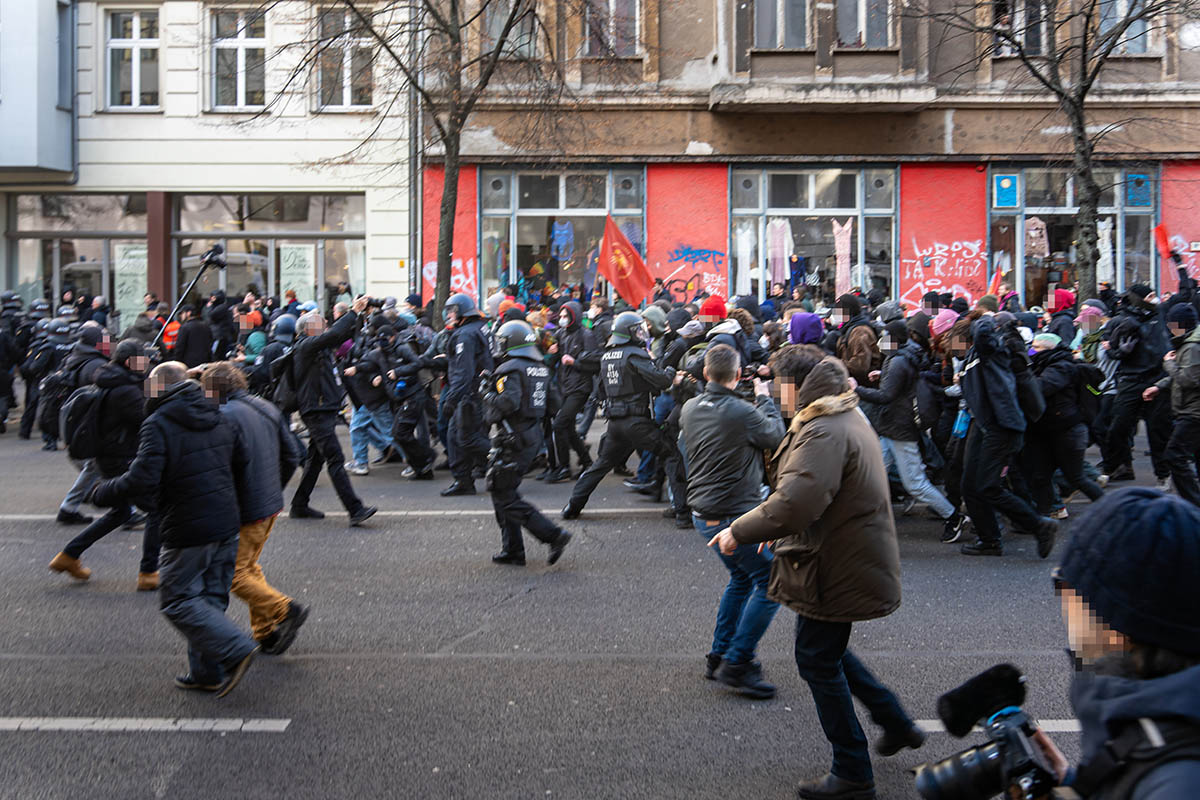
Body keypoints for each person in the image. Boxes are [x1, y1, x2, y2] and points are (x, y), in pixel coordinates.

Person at [708, 350, 924, 800]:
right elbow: (807, 498)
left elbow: (796, 502)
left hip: (835, 560)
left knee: (817, 658)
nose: (775, 393)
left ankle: (852, 772)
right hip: (841, 551)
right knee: (829, 651)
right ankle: (896, 723)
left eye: (779, 384)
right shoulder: (844, 414)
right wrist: (780, 525)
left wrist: (740, 530)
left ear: (797, 386)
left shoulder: (823, 428)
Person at [88, 362, 259, 697]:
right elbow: (241, 464)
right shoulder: (218, 413)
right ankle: (205, 672)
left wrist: (102, 491)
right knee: (209, 599)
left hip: (188, 524)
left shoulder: (159, 423)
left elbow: (143, 478)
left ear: (160, 389)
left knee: (178, 599)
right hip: (225, 522)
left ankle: (236, 647)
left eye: (149, 386)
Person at [1033, 488, 1200, 798]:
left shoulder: (1178, 785)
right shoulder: (1157, 718)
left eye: (1065, 585)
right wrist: (1075, 785)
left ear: (1115, 622)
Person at [680, 344, 785, 699]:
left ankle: (719, 654)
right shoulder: (742, 411)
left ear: (706, 373)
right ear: (738, 375)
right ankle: (737, 662)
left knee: (742, 578)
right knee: (771, 583)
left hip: (703, 514)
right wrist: (765, 396)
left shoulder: (691, 408)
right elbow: (776, 437)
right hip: (735, 516)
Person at [202, 362, 309, 655]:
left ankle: (285, 610)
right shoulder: (265, 406)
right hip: (269, 503)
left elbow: (220, 468)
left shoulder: (223, 416)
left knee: (234, 575)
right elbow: (291, 455)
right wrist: (274, 489)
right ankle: (264, 632)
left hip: (245, 507)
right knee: (248, 567)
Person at [48, 340, 159, 589]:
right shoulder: (125, 390)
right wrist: (159, 382)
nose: (148, 362)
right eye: (144, 359)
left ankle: (69, 555)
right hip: (121, 459)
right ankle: (149, 572)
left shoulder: (116, 381)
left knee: (119, 513)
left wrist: (155, 377)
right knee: (156, 509)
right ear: (130, 362)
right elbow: (147, 417)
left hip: (109, 458)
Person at [856, 318, 969, 541]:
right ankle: (863, 520)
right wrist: (883, 377)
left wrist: (856, 389)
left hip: (899, 427)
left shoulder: (898, 361)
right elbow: (898, 385)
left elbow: (886, 396)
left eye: (885, 337)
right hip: (891, 427)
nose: (881, 341)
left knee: (914, 483)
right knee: (872, 473)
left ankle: (953, 516)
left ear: (894, 340)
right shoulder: (901, 356)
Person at [958, 315, 1058, 558]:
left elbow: (983, 333)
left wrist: (985, 318)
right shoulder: (980, 354)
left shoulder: (993, 348)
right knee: (970, 485)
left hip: (1002, 427)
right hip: (987, 425)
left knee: (988, 486)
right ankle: (989, 540)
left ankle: (1039, 525)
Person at [562, 312, 676, 520]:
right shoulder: (635, 354)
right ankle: (683, 513)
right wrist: (669, 369)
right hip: (637, 421)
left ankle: (573, 506)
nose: (642, 333)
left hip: (615, 422)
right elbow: (661, 381)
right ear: (629, 332)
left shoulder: (607, 355)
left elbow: (602, 391)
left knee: (601, 465)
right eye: (638, 330)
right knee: (670, 454)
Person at [482, 320, 573, 566]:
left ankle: (553, 535)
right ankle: (512, 549)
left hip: (512, 437)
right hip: (531, 436)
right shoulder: (540, 367)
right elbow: (554, 404)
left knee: (504, 495)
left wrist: (488, 394)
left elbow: (507, 404)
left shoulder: (509, 369)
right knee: (502, 490)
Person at [289, 298, 377, 526]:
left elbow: (342, 336)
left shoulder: (318, 348)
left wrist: (358, 317)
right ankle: (355, 509)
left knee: (315, 460)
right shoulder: (305, 346)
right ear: (309, 329)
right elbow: (334, 335)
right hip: (315, 411)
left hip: (323, 408)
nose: (326, 323)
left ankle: (299, 505)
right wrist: (352, 311)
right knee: (335, 459)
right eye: (321, 322)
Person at [1025, 332, 1105, 516]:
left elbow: (1041, 388)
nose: (1031, 350)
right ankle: (1047, 516)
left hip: (1067, 431)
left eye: (1035, 347)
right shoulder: (1045, 364)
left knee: (1076, 477)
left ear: (1048, 348)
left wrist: (1022, 375)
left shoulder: (1060, 367)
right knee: (1041, 476)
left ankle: (1111, 510)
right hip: (1052, 431)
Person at [1101, 283, 1171, 488]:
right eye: (1149, 296)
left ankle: (1163, 474)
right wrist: (1120, 351)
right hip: (1131, 380)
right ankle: (1111, 467)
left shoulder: (1162, 315)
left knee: (1158, 431)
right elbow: (1110, 349)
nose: (1154, 299)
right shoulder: (1125, 321)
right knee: (1118, 427)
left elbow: (1178, 334)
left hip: (1158, 379)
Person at [437, 293, 495, 496]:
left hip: (469, 395)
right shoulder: (480, 328)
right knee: (457, 437)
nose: (449, 315)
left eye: (452, 311)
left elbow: (464, 371)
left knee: (466, 438)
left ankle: (505, 459)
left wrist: (451, 400)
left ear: (462, 311)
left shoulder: (465, 335)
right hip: (479, 391)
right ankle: (464, 480)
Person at [55, 322, 112, 527]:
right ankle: (126, 509)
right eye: (105, 340)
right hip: (92, 423)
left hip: (79, 422)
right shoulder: (94, 365)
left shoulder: (78, 358)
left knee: (94, 466)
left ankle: (69, 508)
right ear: (96, 343)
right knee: (102, 464)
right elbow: (109, 387)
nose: (109, 343)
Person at [1144, 303, 1200, 506]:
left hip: (1193, 411)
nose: (1169, 328)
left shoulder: (1192, 347)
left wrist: (1168, 364)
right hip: (1190, 410)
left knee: (1174, 455)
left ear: (1182, 324)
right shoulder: (1188, 344)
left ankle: (1193, 505)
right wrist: (1159, 386)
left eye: (1173, 324)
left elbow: (1189, 379)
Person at [545, 300, 598, 483]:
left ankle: (564, 467)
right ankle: (586, 461)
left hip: (580, 388)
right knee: (567, 428)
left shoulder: (586, 335)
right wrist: (551, 352)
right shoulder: (560, 334)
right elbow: (551, 359)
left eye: (566, 316)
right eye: (560, 316)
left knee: (559, 425)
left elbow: (595, 363)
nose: (562, 319)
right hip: (565, 387)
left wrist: (574, 362)